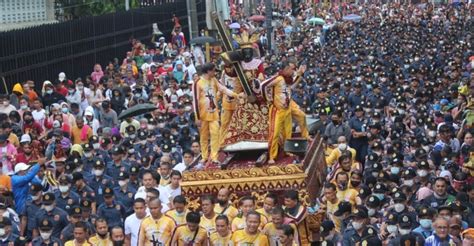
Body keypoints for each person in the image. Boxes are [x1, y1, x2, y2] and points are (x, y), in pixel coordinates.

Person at [192, 63, 239, 165]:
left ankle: (214, 156)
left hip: (213, 113)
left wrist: (236, 95)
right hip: (202, 115)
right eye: (213, 71)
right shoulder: (197, 83)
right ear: (208, 71)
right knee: (204, 136)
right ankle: (204, 156)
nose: (215, 72)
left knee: (215, 134)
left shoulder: (214, 80)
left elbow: (223, 89)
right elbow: (195, 100)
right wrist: (197, 117)